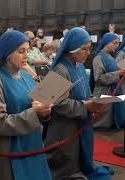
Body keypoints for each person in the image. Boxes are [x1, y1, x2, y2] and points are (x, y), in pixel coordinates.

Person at [0, 30, 53, 180]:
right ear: (7, 53)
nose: (27, 55)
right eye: (21, 51)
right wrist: (35, 113)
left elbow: (37, 109)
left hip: (31, 143)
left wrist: (45, 111)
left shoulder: (26, 76)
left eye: (27, 50)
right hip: (8, 148)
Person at [45, 27, 113, 180]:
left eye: (90, 49)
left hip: (80, 122)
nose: (88, 53)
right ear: (72, 48)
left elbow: (85, 91)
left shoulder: (80, 66)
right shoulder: (59, 70)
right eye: (84, 50)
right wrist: (86, 106)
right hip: (64, 128)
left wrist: (94, 103)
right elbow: (56, 104)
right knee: (67, 162)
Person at [91, 32, 125, 129]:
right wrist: (118, 73)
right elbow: (99, 78)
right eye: (114, 43)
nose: (117, 45)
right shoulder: (98, 58)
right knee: (104, 119)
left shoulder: (110, 57)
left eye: (118, 43)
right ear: (106, 43)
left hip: (113, 90)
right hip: (104, 91)